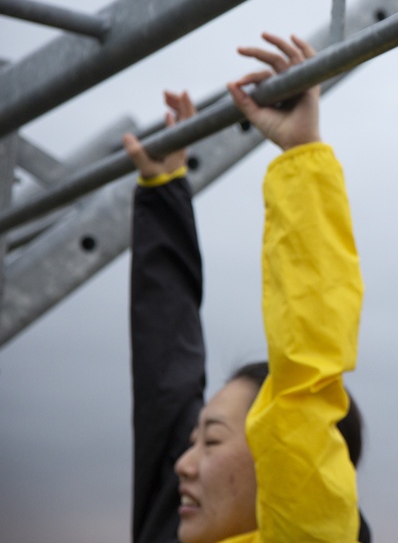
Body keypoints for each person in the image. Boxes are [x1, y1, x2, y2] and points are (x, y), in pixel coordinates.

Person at [125, 32, 371, 542]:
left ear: (281, 457)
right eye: (197, 443)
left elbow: (306, 370)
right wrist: (163, 194)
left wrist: (302, 154)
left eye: (211, 441)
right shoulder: (170, 527)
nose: (183, 466)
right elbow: (163, 383)